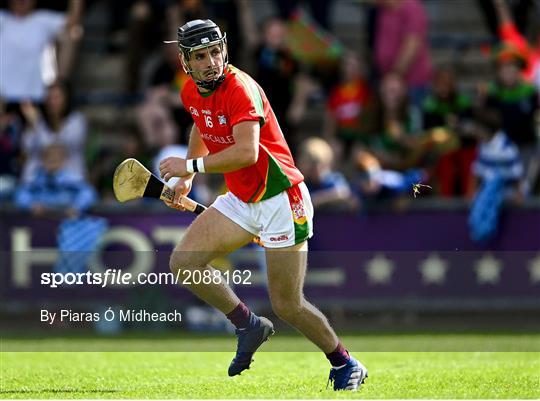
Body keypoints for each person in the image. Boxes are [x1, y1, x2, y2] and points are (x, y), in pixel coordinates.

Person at [158, 19, 367, 391]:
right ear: (186, 61)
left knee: (287, 304)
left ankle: (345, 362)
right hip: (241, 198)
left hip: (281, 199)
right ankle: (247, 324)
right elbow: (201, 123)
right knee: (184, 263)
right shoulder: (191, 91)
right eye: (201, 56)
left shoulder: (241, 88)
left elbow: (246, 151)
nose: (211, 62)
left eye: (215, 52)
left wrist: (188, 166)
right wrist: (188, 179)